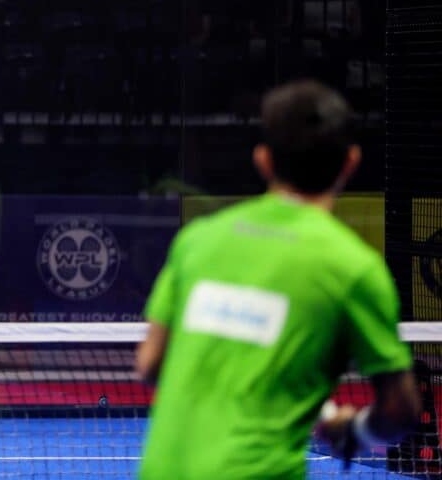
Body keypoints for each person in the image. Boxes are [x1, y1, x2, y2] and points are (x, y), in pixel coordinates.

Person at [136, 80, 420, 479]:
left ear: (263, 160)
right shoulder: (355, 267)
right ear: (351, 163)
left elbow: (151, 364)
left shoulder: (197, 241)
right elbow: (400, 410)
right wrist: (351, 428)